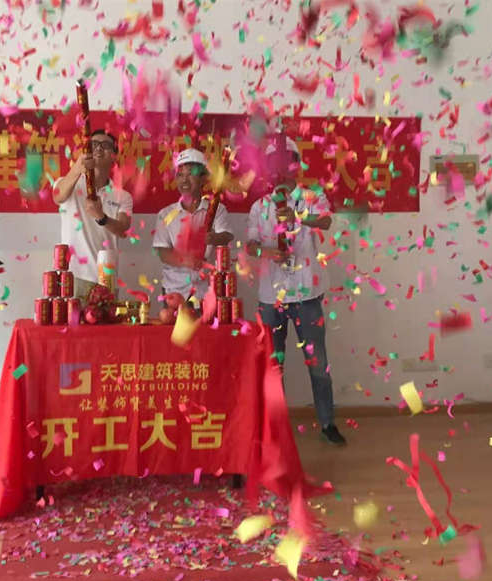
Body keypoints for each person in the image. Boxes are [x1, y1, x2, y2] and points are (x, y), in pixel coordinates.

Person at [245, 136, 346, 446]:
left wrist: (298, 217)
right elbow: (250, 245)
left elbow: (326, 221)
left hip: (306, 295)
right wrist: (267, 252)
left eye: (285, 162)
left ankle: (327, 423)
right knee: (273, 367)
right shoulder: (260, 205)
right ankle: (274, 429)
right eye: (272, 163)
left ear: (295, 165)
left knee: (318, 365)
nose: (278, 169)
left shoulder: (311, 196)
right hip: (270, 298)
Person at [52, 129, 133, 298]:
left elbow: (123, 229)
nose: (98, 148)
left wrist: (101, 217)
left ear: (114, 156)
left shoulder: (123, 196)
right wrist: (77, 169)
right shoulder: (70, 183)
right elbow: (58, 196)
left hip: (107, 277)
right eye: (94, 144)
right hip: (73, 277)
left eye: (105, 145)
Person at [153, 148, 234, 301]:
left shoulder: (216, 209)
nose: (184, 180)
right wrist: (186, 261)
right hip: (174, 291)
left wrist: (213, 238)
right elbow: (162, 252)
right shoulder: (165, 214)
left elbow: (227, 236)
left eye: (190, 174)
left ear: (203, 179)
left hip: (208, 292)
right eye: (180, 175)